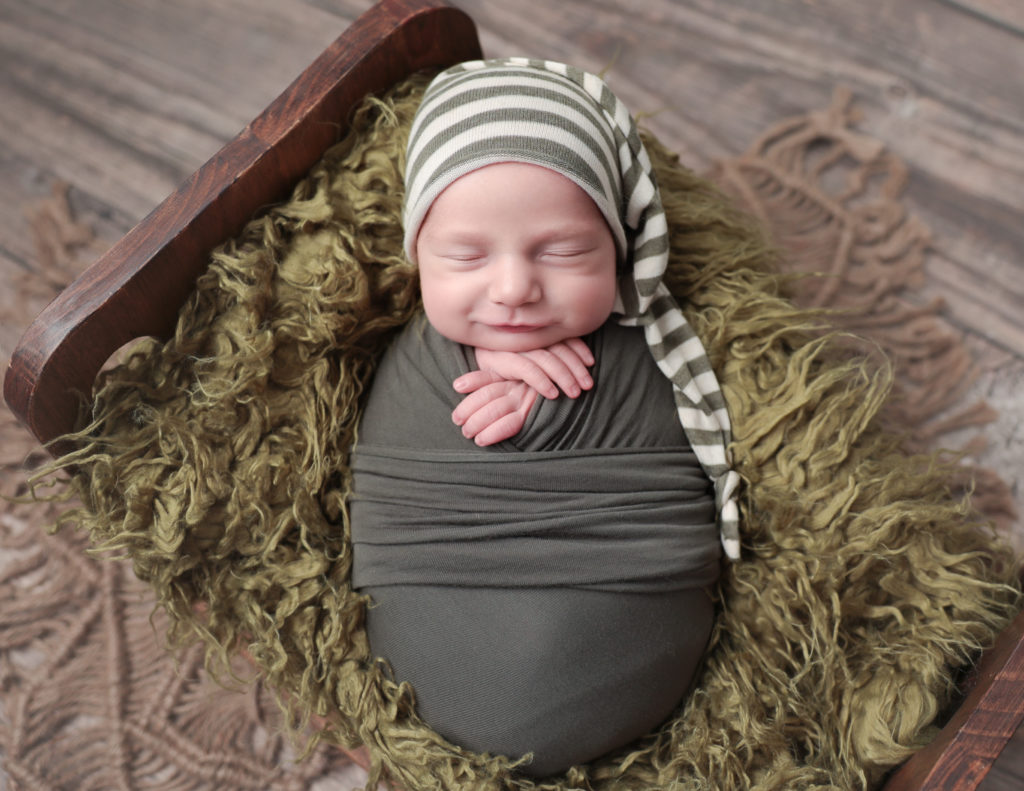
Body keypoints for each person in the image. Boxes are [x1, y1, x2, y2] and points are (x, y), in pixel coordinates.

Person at [347, 57, 741, 777]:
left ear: (620, 247)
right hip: (443, 607)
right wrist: (464, 375)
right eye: (464, 255)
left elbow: (683, 441)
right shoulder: (412, 362)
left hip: (628, 606)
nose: (514, 289)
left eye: (562, 252)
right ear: (416, 255)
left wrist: (581, 394)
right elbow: (389, 460)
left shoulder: (650, 344)